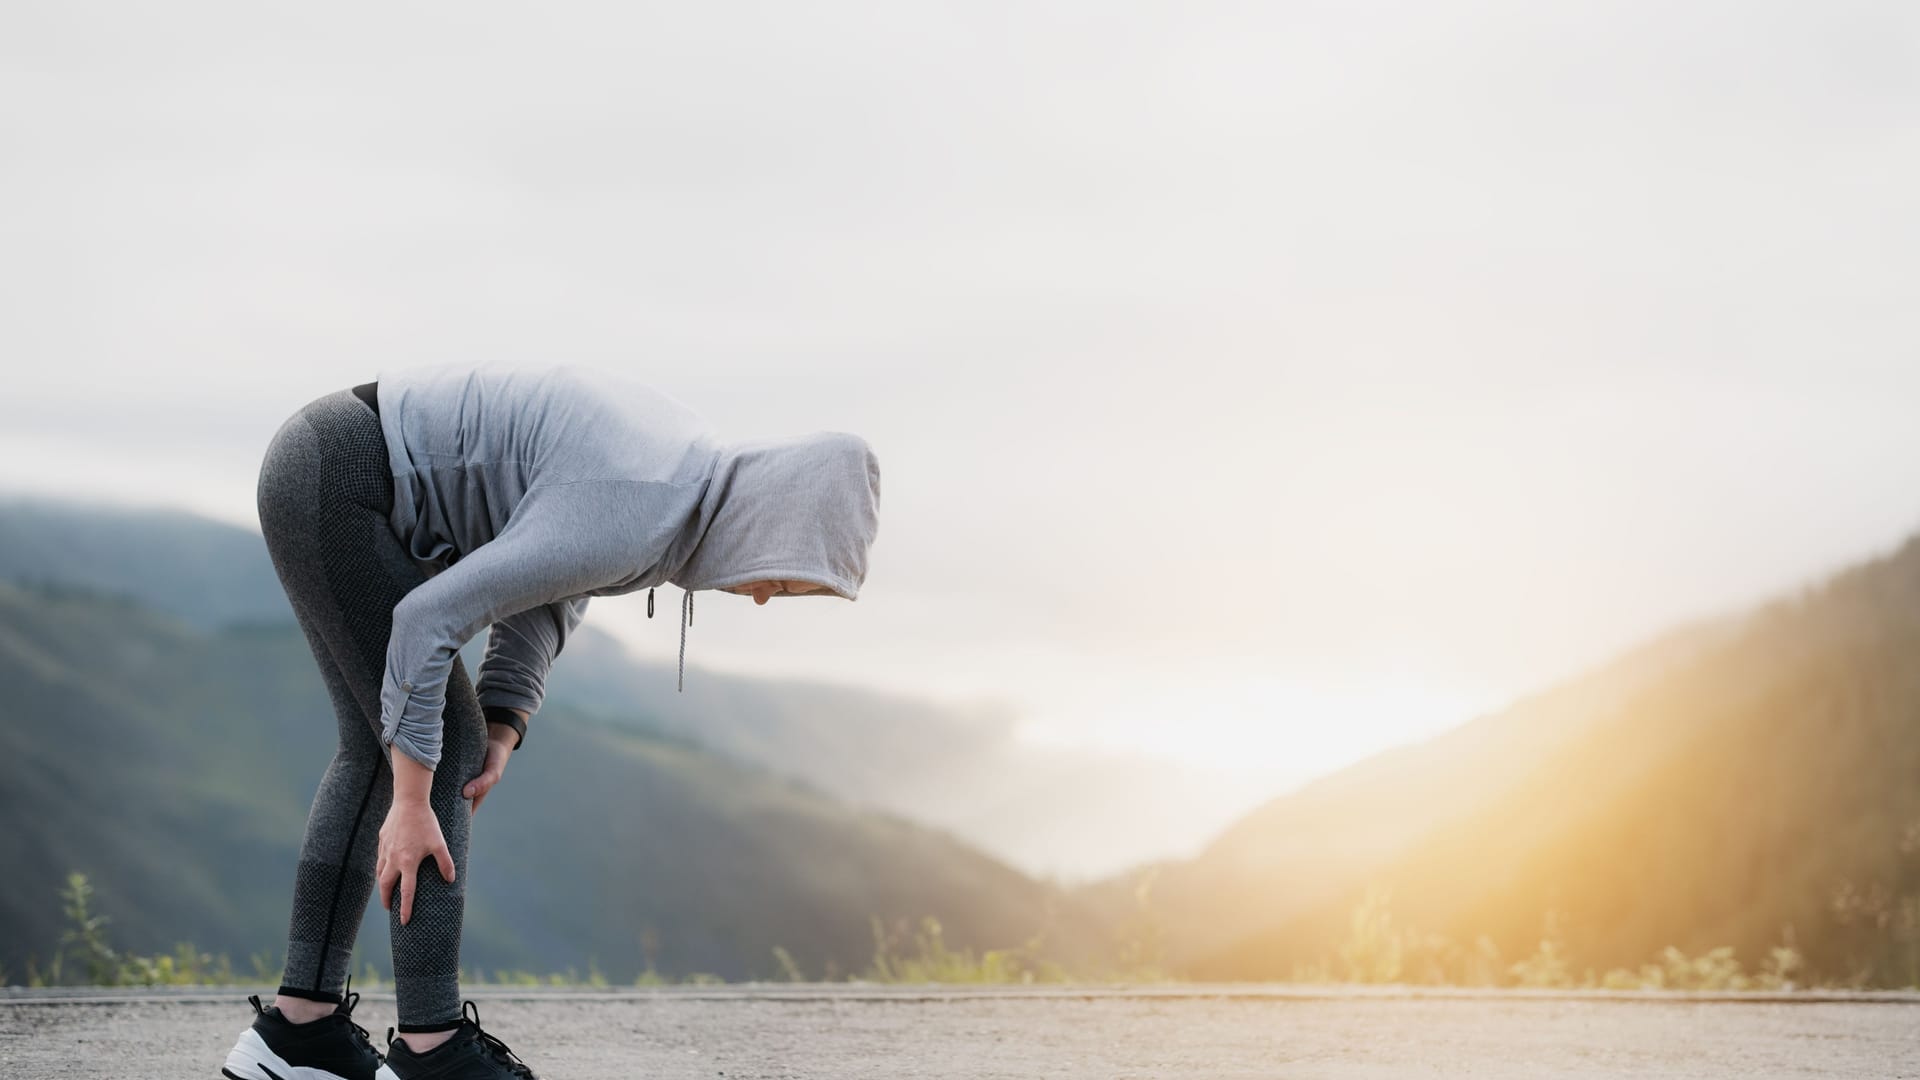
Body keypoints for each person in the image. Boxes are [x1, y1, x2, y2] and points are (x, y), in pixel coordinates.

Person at [222, 363, 882, 1080]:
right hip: (342, 473)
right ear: (773, 517)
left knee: (382, 746)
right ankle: (430, 1051)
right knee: (436, 748)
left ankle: (297, 1036)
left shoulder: (676, 489)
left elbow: (547, 586)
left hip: (326, 460)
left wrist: (505, 719)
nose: (761, 597)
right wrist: (412, 803)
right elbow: (428, 618)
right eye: (782, 577)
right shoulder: (644, 500)